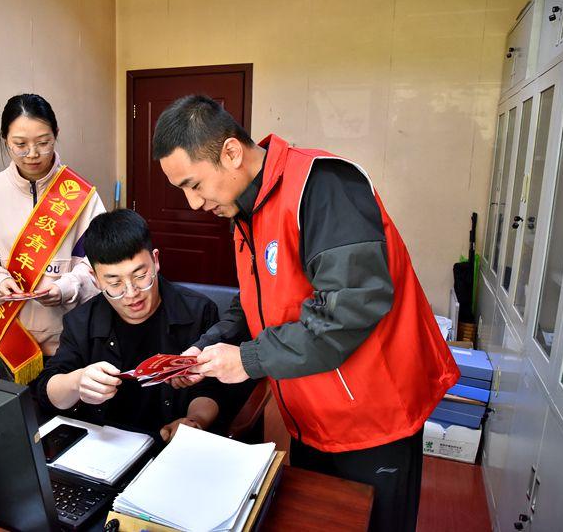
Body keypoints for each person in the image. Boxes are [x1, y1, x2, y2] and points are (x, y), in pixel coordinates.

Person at [152, 94, 460, 532]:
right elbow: (255, 303)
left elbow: (347, 310)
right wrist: (204, 350)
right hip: (310, 412)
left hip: (373, 417)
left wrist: (249, 359)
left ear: (231, 152)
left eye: (194, 185)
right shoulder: (246, 210)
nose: (193, 204)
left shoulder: (322, 186)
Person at [35, 209, 226, 441]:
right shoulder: (81, 321)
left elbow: (213, 388)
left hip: (174, 444)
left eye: (140, 276)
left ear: (155, 261)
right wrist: (77, 382)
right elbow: (48, 390)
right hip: (106, 445)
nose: (131, 293)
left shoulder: (199, 312)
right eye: (114, 283)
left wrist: (195, 421)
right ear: (95, 279)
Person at [0, 94, 106, 384]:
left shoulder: (80, 195)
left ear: (56, 135)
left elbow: (99, 264)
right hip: (9, 338)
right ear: (5, 140)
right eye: (20, 144)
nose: (32, 154)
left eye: (43, 142)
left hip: (69, 339)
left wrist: (65, 288)